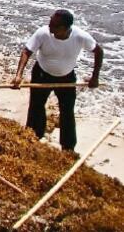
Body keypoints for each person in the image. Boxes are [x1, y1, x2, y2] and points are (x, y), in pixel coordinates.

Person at [12, 10, 102, 152]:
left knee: (67, 112)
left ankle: (68, 148)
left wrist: (95, 77)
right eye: (50, 22)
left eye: (54, 25)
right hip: (42, 74)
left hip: (66, 77)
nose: (49, 26)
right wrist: (18, 75)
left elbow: (98, 51)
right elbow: (26, 51)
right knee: (36, 107)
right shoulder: (43, 33)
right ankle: (33, 138)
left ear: (65, 28)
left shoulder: (80, 36)